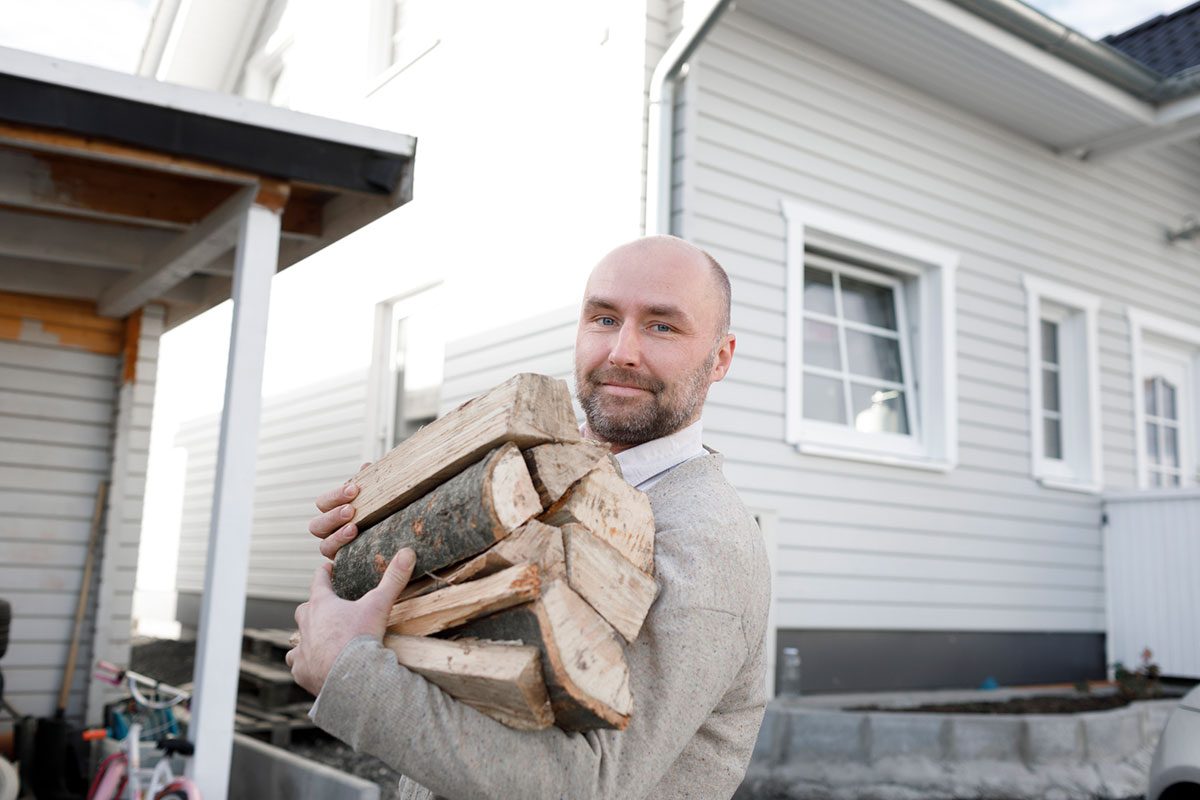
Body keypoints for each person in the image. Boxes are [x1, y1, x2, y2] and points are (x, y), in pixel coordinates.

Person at [288, 235, 771, 800]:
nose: (622, 351)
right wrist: (380, 543)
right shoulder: (531, 469)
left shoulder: (706, 541)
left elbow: (588, 781)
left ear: (721, 358)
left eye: (662, 326)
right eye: (604, 318)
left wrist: (348, 671)